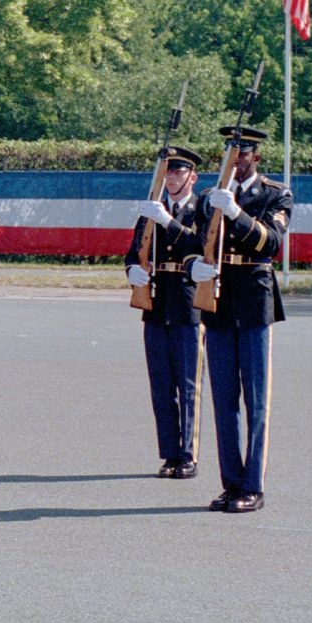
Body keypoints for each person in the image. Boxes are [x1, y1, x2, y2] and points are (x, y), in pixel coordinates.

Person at [190, 127, 292, 514]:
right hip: (218, 301)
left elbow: (272, 242)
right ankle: (231, 483)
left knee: (256, 400)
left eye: (243, 152)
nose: (237, 158)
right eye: (231, 151)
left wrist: (236, 211)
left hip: (253, 299)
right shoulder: (207, 198)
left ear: (256, 157)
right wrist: (193, 267)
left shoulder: (274, 193)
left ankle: (254, 485)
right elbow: (194, 245)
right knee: (224, 400)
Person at [124, 145, 205, 479]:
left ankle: (189, 454)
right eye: (168, 172)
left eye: (179, 172)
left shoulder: (201, 210)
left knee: (188, 386)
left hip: (188, 305)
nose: (172, 178)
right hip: (156, 304)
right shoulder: (150, 211)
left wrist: (167, 221)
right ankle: (170, 452)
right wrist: (131, 272)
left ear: (192, 176)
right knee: (161, 384)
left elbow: (199, 247)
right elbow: (132, 253)